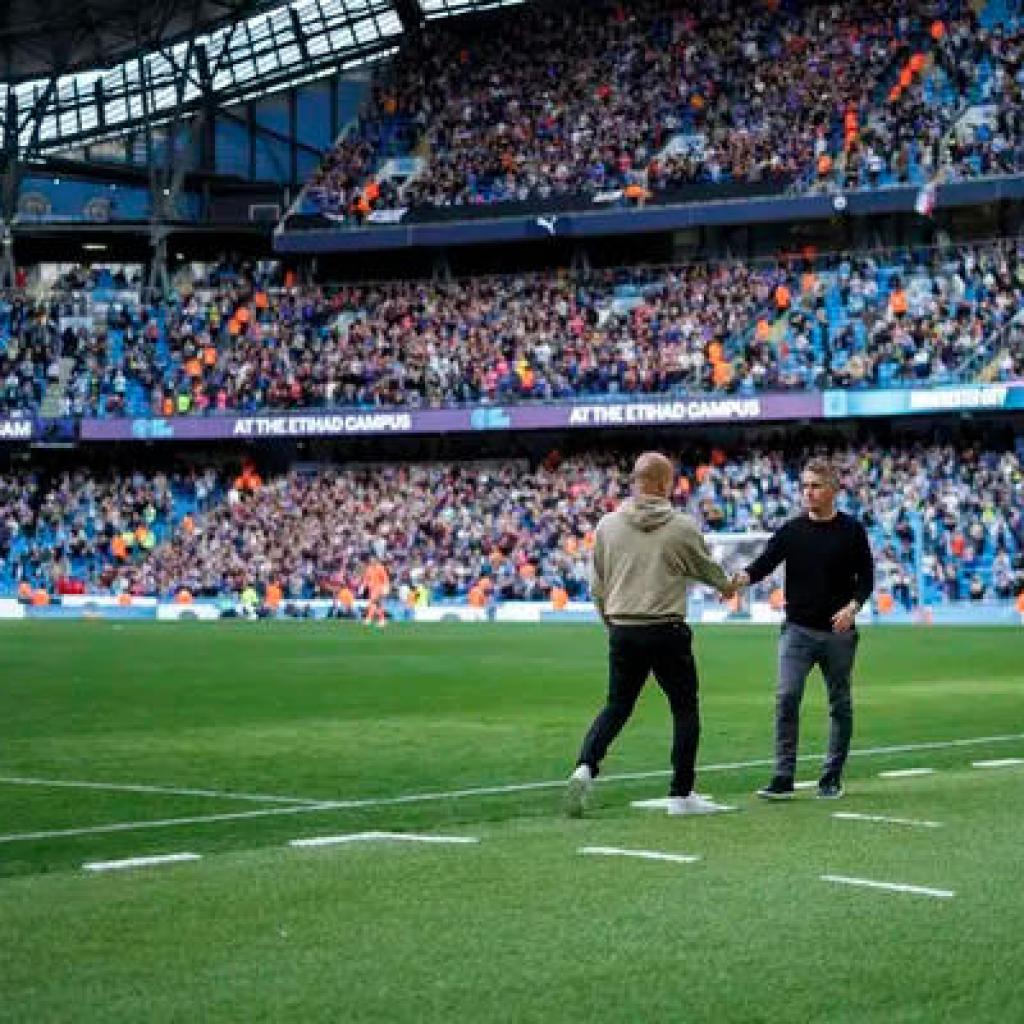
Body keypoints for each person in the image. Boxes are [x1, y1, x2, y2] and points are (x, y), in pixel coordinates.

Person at [565, 452, 737, 818]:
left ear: (635, 482)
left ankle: (585, 766)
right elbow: (709, 572)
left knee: (617, 706)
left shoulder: (607, 526)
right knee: (684, 708)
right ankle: (681, 794)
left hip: (624, 628)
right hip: (666, 629)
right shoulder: (681, 527)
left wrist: (610, 622)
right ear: (664, 484)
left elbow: (597, 586)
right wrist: (728, 585)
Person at [732, 458, 874, 800]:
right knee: (786, 698)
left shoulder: (852, 531)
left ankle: (831, 777)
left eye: (815, 486)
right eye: (805, 486)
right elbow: (763, 564)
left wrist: (853, 608)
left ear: (833, 490)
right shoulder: (792, 531)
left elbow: (867, 578)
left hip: (838, 635)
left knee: (839, 704)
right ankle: (783, 777)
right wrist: (739, 579)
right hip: (797, 631)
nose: (808, 493)